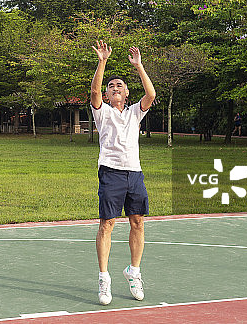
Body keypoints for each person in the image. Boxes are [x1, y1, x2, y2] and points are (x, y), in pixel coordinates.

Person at [91, 41, 156, 305]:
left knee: (137, 222)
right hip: (111, 173)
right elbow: (94, 91)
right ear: (107, 96)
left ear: (127, 93)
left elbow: (150, 95)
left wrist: (139, 66)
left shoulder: (134, 114)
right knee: (107, 223)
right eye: (111, 86)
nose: (114, 88)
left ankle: (134, 271)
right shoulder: (103, 112)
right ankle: (104, 278)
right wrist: (102, 61)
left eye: (119, 85)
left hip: (134, 174)